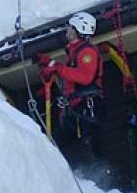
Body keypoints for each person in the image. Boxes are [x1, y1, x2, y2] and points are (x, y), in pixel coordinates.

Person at [38, 12, 105, 172]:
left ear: (77, 30)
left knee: (87, 147)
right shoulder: (75, 53)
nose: (67, 30)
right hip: (75, 109)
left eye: (70, 27)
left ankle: (96, 177)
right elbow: (70, 79)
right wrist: (51, 64)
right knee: (58, 144)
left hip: (86, 108)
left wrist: (57, 67)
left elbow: (85, 77)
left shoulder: (87, 51)